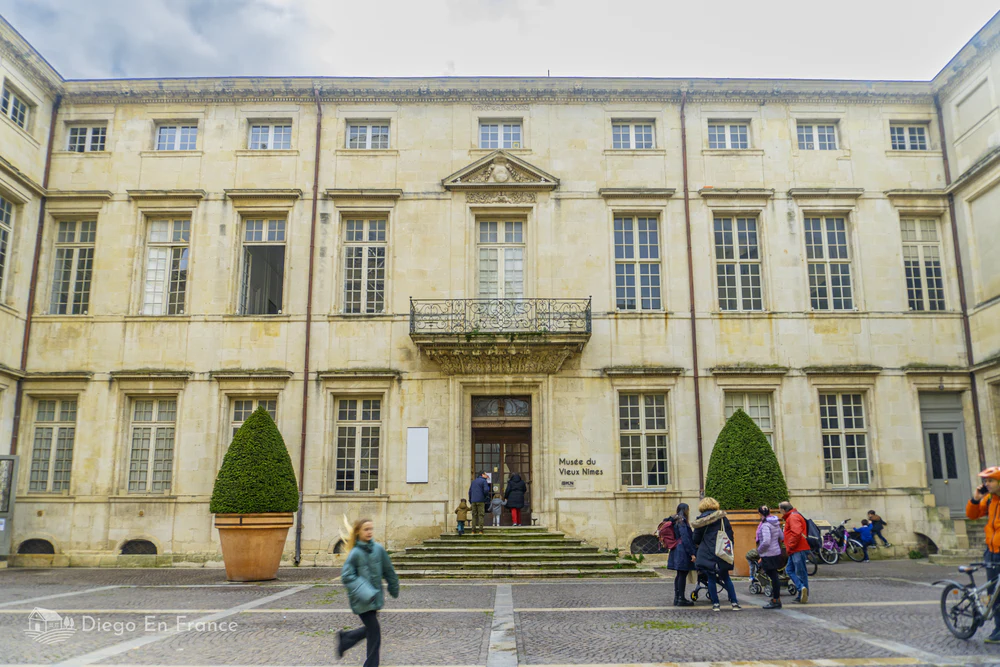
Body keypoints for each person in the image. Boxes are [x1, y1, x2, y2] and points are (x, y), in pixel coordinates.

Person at [338, 518, 399, 667]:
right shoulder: (355, 553)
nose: (369, 532)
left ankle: (346, 639)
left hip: (375, 599)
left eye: (371, 528)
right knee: (375, 632)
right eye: (366, 529)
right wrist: (365, 591)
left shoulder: (378, 549)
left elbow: (388, 569)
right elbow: (346, 575)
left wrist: (393, 585)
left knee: (371, 631)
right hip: (361, 600)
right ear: (358, 532)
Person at [967, 466, 1000, 644]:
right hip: (993, 552)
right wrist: (975, 499)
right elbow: (972, 515)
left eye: (991, 481)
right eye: (985, 481)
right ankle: (999, 629)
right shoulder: (988, 499)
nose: (987, 484)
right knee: (995, 592)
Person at [691, 497, 741, 612]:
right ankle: (734, 602)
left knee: (711, 578)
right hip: (722, 551)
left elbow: (696, 539)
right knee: (726, 577)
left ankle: (716, 604)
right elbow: (730, 535)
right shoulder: (723, 519)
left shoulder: (700, 521)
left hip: (707, 552)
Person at [778, 501, 810, 604]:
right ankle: (802, 590)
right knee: (790, 570)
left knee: (799, 572)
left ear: (783, 510)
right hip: (796, 549)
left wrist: (790, 546)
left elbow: (796, 533)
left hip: (797, 549)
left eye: (780, 510)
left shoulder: (792, 517)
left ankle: (802, 591)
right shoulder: (793, 516)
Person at [665, 502, 696, 607]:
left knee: (679, 574)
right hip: (682, 550)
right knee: (682, 574)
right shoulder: (682, 521)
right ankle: (681, 598)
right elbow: (685, 538)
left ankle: (677, 598)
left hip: (676, 548)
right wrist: (692, 553)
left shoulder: (674, 519)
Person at [756, 505, 784, 609]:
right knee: (775, 577)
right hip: (776, 553)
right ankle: (776, 599)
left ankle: (776, 600)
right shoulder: (775, 523)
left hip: (768, 554)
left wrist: (759, 550)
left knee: (773, 578)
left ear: (760, 514)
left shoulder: (765, 525)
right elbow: (781, 537)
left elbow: (766, 542)